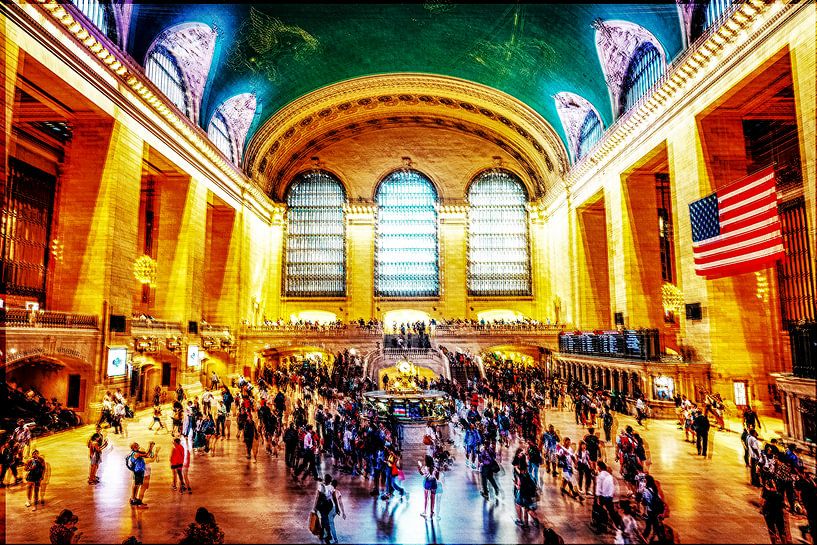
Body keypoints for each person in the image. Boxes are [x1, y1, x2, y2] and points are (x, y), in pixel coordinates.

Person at [126, 441, 155, 507]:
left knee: (137, 485)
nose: (138, 445)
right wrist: (150, 446)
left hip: (138, 471)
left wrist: (150, 447)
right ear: (133, 447)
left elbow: (146, 454)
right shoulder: (136, 454)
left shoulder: (136, 452)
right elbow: (146, 454)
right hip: (138, 471)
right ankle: (133, 499)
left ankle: (133, 498)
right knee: (136, 485)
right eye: (136, 445)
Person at [514, 461, 541, 529]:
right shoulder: (529, 475)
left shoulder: (521, 476)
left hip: (524, 495)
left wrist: (515, 485)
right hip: (530, 495)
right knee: (526, 510)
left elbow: (519, 487)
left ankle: (529, 522)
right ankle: (527, 523)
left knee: (526, 509)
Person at [761, 479, 790, 544]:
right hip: (779, 515)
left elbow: (762, 503)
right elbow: (784, 505)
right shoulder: (779, 495)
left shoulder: (767, 494)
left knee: (771, 531)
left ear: (767, 486)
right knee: (781, 531)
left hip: (769, 515)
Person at [595, 462, 622, 528]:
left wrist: (598, 497)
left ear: (599, 467)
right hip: (609, 496)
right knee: (611, 511)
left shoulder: (601, 476)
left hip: (604, 496)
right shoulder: (609, 475)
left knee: (602, 510)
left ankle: (602, 525)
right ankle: (617, 524)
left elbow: (598, 488)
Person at [313, 474, 339, 544]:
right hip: (329, 505)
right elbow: (334, 498)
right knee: (324, 518)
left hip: (322, 505)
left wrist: (315, 507)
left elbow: (317, 497)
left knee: (324, 519)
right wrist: (337, 507)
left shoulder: (320, 487)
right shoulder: (331, 487)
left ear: (325, 480)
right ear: (330, 480)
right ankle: (322, 533)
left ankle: (328, 534)